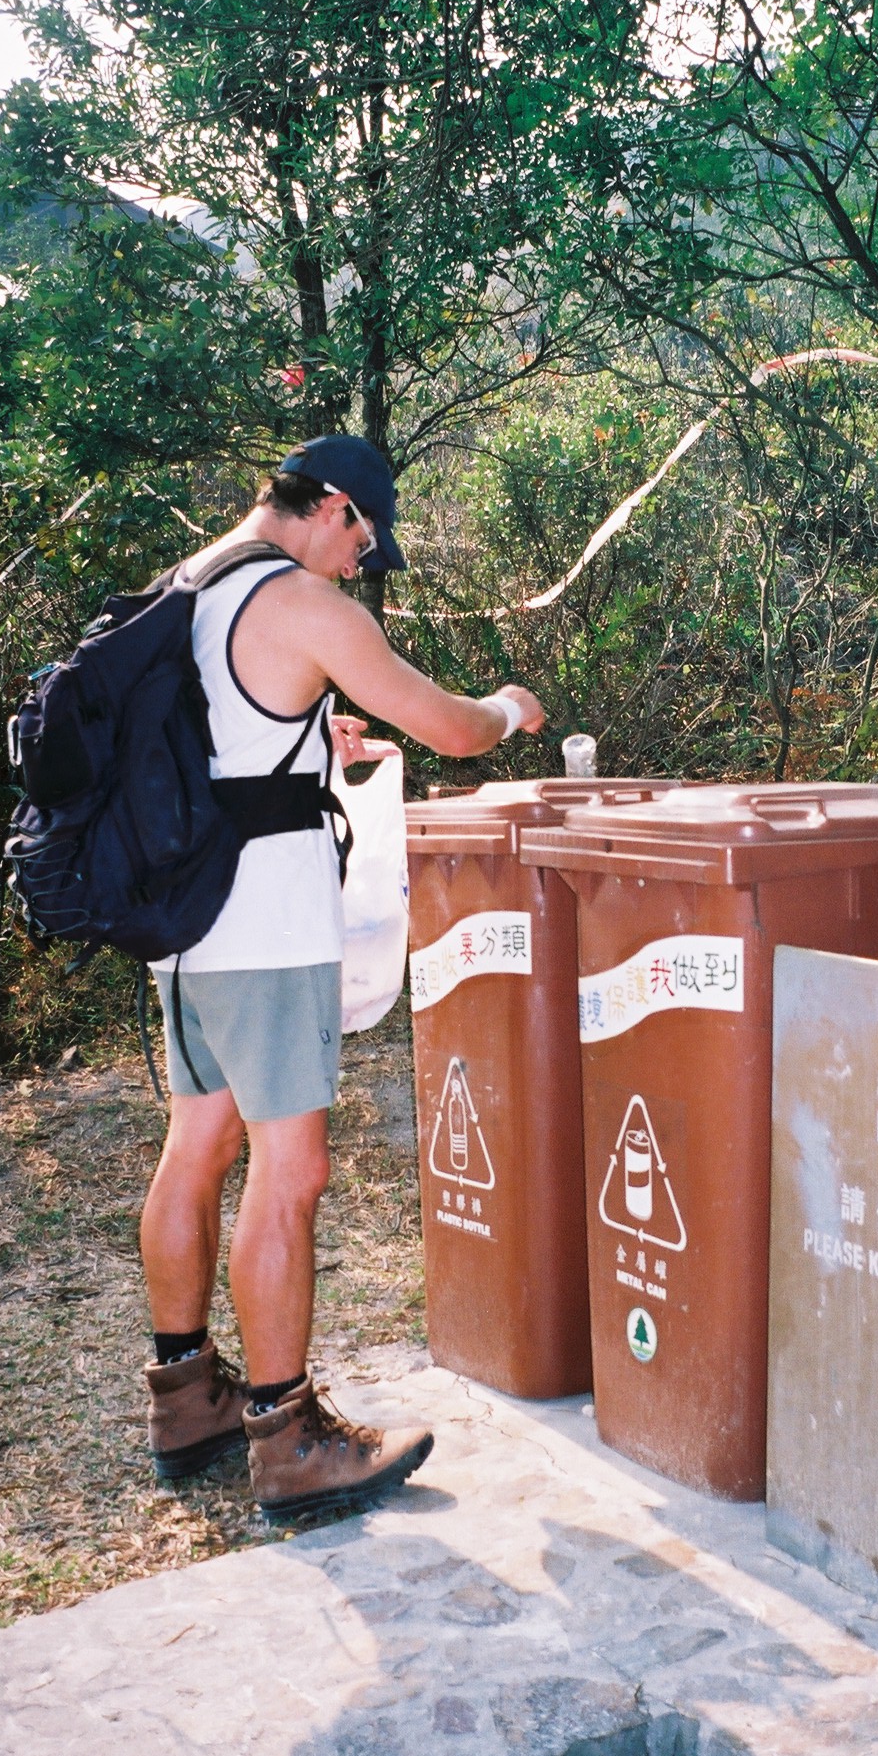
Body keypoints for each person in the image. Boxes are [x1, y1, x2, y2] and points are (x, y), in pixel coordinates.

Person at [140, 435, 545, 1523]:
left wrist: (317, 738)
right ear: (329, 505)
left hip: (184, 922)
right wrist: (508, 708)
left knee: (197, 1144)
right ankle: (289, 1439)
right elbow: (453, 728)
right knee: (292, 1170)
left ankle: (186, 1400)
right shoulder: (302, 602)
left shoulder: (193, 581)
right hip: (265, 927)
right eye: (363, 539)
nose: (361, 561)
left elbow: (220, 740)